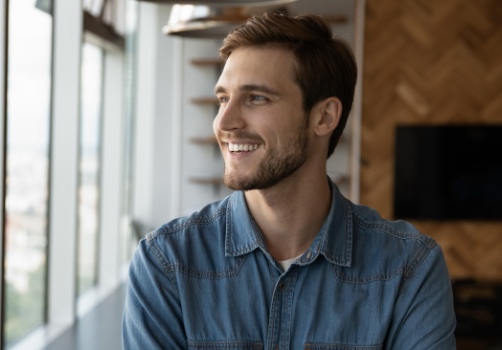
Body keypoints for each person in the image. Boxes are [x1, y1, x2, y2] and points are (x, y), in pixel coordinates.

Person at [122, 12, 456, 349]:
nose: (224, 121)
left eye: (256, 98)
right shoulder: (166, 263)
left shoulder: (408, 268)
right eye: (223, 98)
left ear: (324, 116)